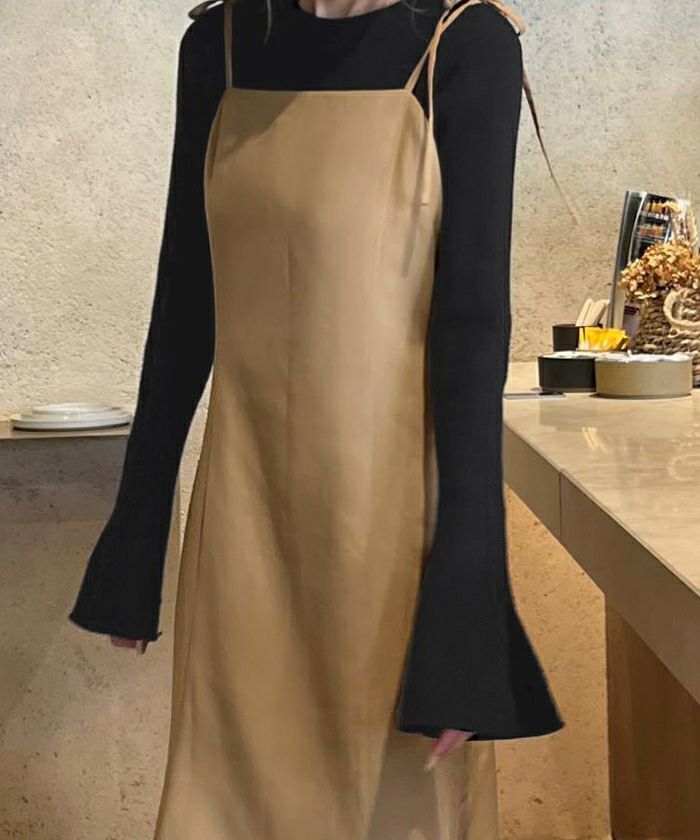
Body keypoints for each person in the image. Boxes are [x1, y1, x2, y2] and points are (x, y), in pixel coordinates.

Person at [69, 0, 569, 836]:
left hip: (393, 545)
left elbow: (473, 331)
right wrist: (138, 532)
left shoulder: (464, 45)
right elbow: (184, 301)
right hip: (244, 534)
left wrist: (470, 606)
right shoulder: (220, 45)